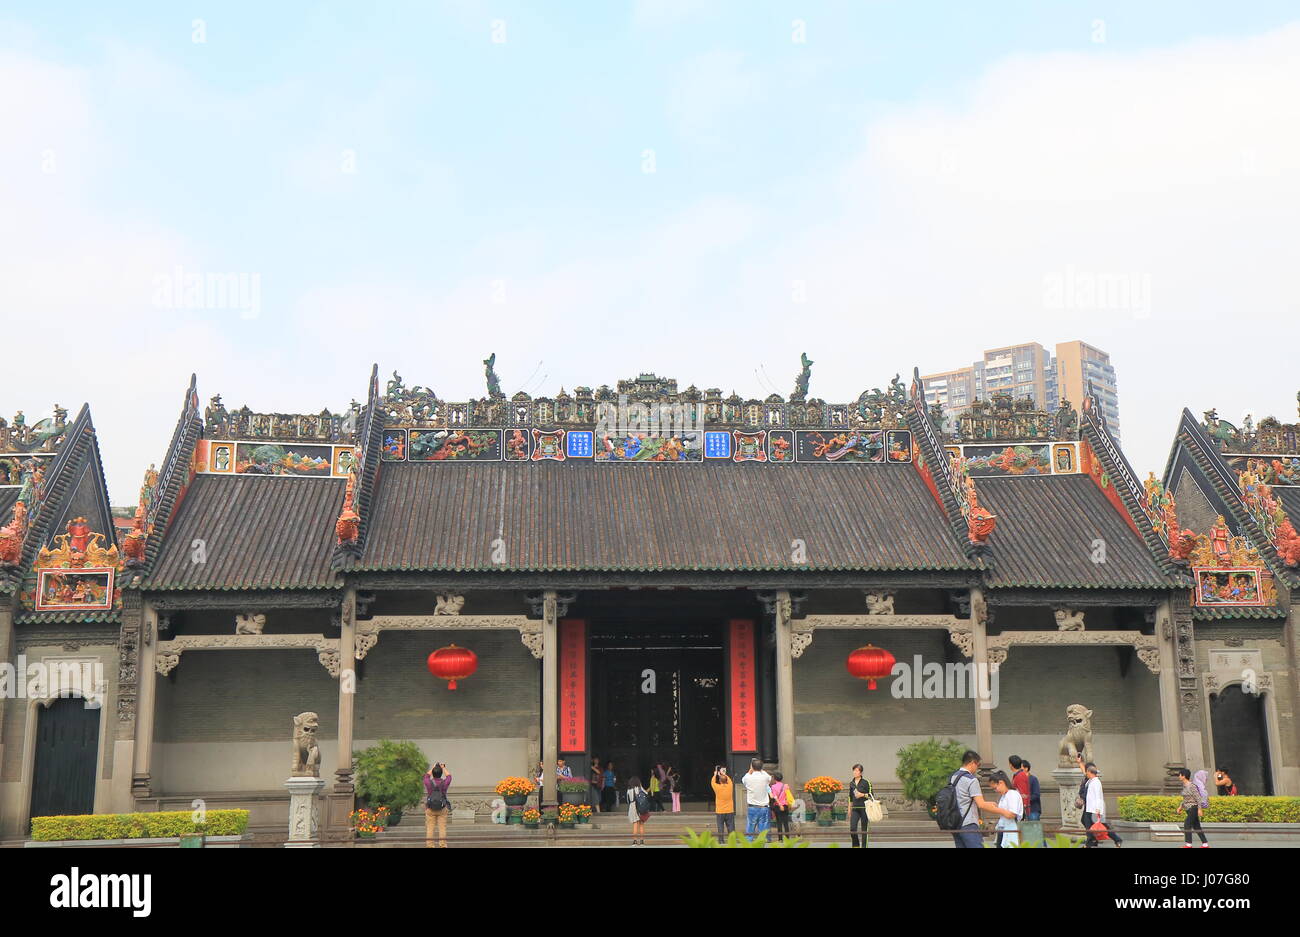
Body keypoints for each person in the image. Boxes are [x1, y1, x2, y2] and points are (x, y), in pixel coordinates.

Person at [949, 750, 1015, 848]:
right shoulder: (971, 780)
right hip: (968, 823)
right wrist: (1004, 812)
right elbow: (981, 804)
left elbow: (965, 799)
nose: (977, 768)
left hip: (955, 823)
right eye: (978, 765)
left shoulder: (953, 777)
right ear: (972, 763)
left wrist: (989, 803)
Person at [1080, 757, 1122, 848]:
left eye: (1087, 772)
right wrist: (1080, 763)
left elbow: (1098, 797)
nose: (1085, 773)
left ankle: (1116, 839)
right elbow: (1084, 772)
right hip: (1089, 808)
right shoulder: (1090, 781)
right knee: (1088, 824)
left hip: (1094, 809)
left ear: (1090, 772)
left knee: (1101, 826)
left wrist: (1098, 809)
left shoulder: (1096, 782)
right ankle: (1092, 842)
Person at [989, 771, 1023, 847]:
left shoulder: (1012, 794)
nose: (995, 791)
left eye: (995, 788)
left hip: (1010, 828)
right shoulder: (1004, 795)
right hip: (1003, 828)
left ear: (1001, 783)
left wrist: (995, 809)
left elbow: (1011, 814)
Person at [423, 761, 452, 848]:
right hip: (442, 808)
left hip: (430, 808)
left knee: (430, 828)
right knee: (442, 828)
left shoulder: (428, 782)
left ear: (433, 773)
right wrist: (442, 767)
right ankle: (442, 845)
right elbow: (449, 776)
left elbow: (426, 776)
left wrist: (433, 767)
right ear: (441, 774)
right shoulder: (444, 783)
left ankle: (430, 846)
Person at [741, 758, 772, 839]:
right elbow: (769, 778)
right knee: (763, 831)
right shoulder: (765, 777)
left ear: (752, 767)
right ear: (761, 768)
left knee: (750, 829)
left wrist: (750, 770)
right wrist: (761, 770)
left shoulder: (748, 778)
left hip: (752, 807)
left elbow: (743, 780)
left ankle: (749, 844)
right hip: (764, 807)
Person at [1178, 768, 1210, 848]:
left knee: (1187, 824)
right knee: (1197, 827)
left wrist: (1199, 809)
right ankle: (1205, 844)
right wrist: (1180, 807)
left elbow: (1198, 798)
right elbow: (1185, 799)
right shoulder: (1185, 786)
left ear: (1184, 776)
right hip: (1188, 808)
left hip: (1193, 808)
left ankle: (1188, 845)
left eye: (1180, 775)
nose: (1179, 776)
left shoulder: (1191, 786)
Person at [847, 763, 873, 848]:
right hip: (855, 809)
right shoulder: (851, 783)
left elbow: (871, 796)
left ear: (861, 773)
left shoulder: (866, 783)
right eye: (854, 770)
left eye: (857, 770)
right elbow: (850, 797)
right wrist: (849, 809)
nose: (855, 772)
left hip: (864, 809)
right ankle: (856, 846)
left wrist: (862, 795)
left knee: (864, 831)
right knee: (852, 829)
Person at [711, 765, 736, 839]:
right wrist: (724, 774)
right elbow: (730, 781)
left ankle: (721, 840)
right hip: (729, 810)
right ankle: (732, 840)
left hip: (720, 811)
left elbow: (712, 782)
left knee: (720, 826)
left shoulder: (717, 788)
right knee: (731, 826)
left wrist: (715, 775)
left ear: (719, 781)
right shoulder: (730, 786)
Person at [770, 770, 794, 841]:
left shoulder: (773, 787)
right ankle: (787, 838)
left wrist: (780, 805)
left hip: (778, 806)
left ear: (774, 778)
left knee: (779, 823)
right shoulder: (785, 786)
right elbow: (787, 796)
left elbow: (775, 797)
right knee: (786, 822)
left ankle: (780, 839)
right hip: (785, 806)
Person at [627, 775, 650, 846]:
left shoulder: (629, 790)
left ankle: (635, 842)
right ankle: (642, 841)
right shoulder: (640, 788)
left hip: (632, 807)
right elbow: (646, 794)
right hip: (641, 807)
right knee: (641, 824)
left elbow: (628, 801)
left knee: (635, 824)